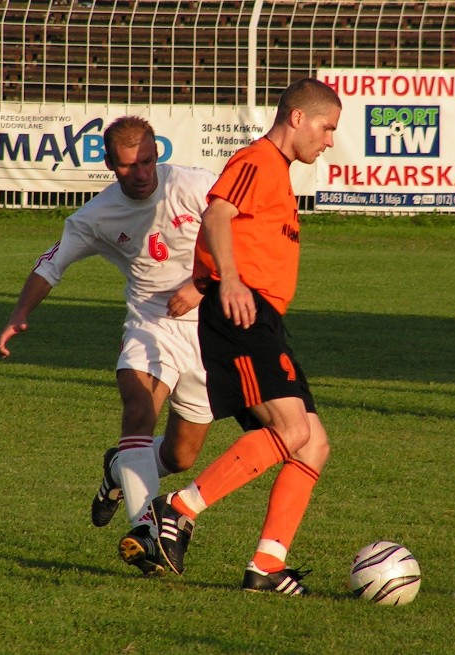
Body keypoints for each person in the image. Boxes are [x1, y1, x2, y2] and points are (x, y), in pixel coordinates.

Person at [0, 116, 216, 576]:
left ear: (159, 153)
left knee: (180, 456)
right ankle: (147, 533)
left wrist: (201, 285)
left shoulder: (196, 187)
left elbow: (245, 234)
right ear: (110, 164)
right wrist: (20, 314)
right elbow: (51, 264)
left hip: (207, 333)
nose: (142, 174)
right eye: (129, 166)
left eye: (149, 161)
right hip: (150, 326)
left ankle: (119, 469)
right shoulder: (96, 215)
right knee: (138, 409)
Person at [148, 79, 341, 596]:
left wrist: (213, 277)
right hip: (242, 313)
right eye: (326, 128)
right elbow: (216, 214)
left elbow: (240, 237)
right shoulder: (256, 160)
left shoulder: (276, 172)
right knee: (294, 430)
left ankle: (266, 565)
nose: (329, 141)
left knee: (314, 445)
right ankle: (176, 510)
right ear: (297, 118)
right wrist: (228, 280)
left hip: (263, 318)